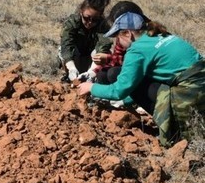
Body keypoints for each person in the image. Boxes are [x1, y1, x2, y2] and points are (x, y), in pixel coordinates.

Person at [78, 12, 205, 146]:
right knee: (134, 79)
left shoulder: (137, 50)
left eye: (117, 37)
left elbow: (118, 91)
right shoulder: (161, 35)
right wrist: (126, 101)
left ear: (128, 34)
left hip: (188, 97)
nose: (116, 42)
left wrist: (91, 87)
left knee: (122, 77)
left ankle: (174, 130)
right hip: (200, 89)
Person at [59, 0, 112, 83]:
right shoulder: (72, 22)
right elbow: (66, 45)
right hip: (76, 58)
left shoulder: (103, 25)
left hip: (92, 61)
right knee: (61, 50)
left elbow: (103, 46)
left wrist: (91, 72)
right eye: (87, 18)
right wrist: (71, 68)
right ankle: (69, 75)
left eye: (94, 20)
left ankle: (92, 77)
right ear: (81, 12)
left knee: (106, 53)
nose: (90, 23)